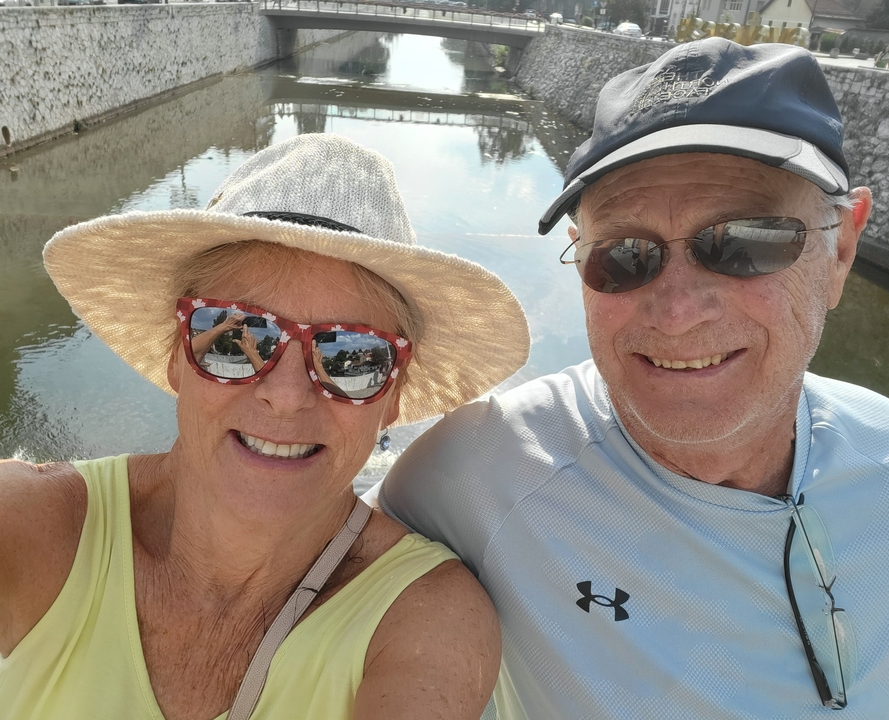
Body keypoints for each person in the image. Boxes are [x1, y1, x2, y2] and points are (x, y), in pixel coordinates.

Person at [370, 38, 889, 718]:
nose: (678, 313)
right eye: (624, 254)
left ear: (842, 249)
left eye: (745, 242)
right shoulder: (476, 474)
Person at [0, 133, 530, 720]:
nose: (285, 396)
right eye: (235, 338)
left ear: (392, 398)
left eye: (351, 358)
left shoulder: (428, 620)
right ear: (176, 355)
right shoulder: (28, 522)